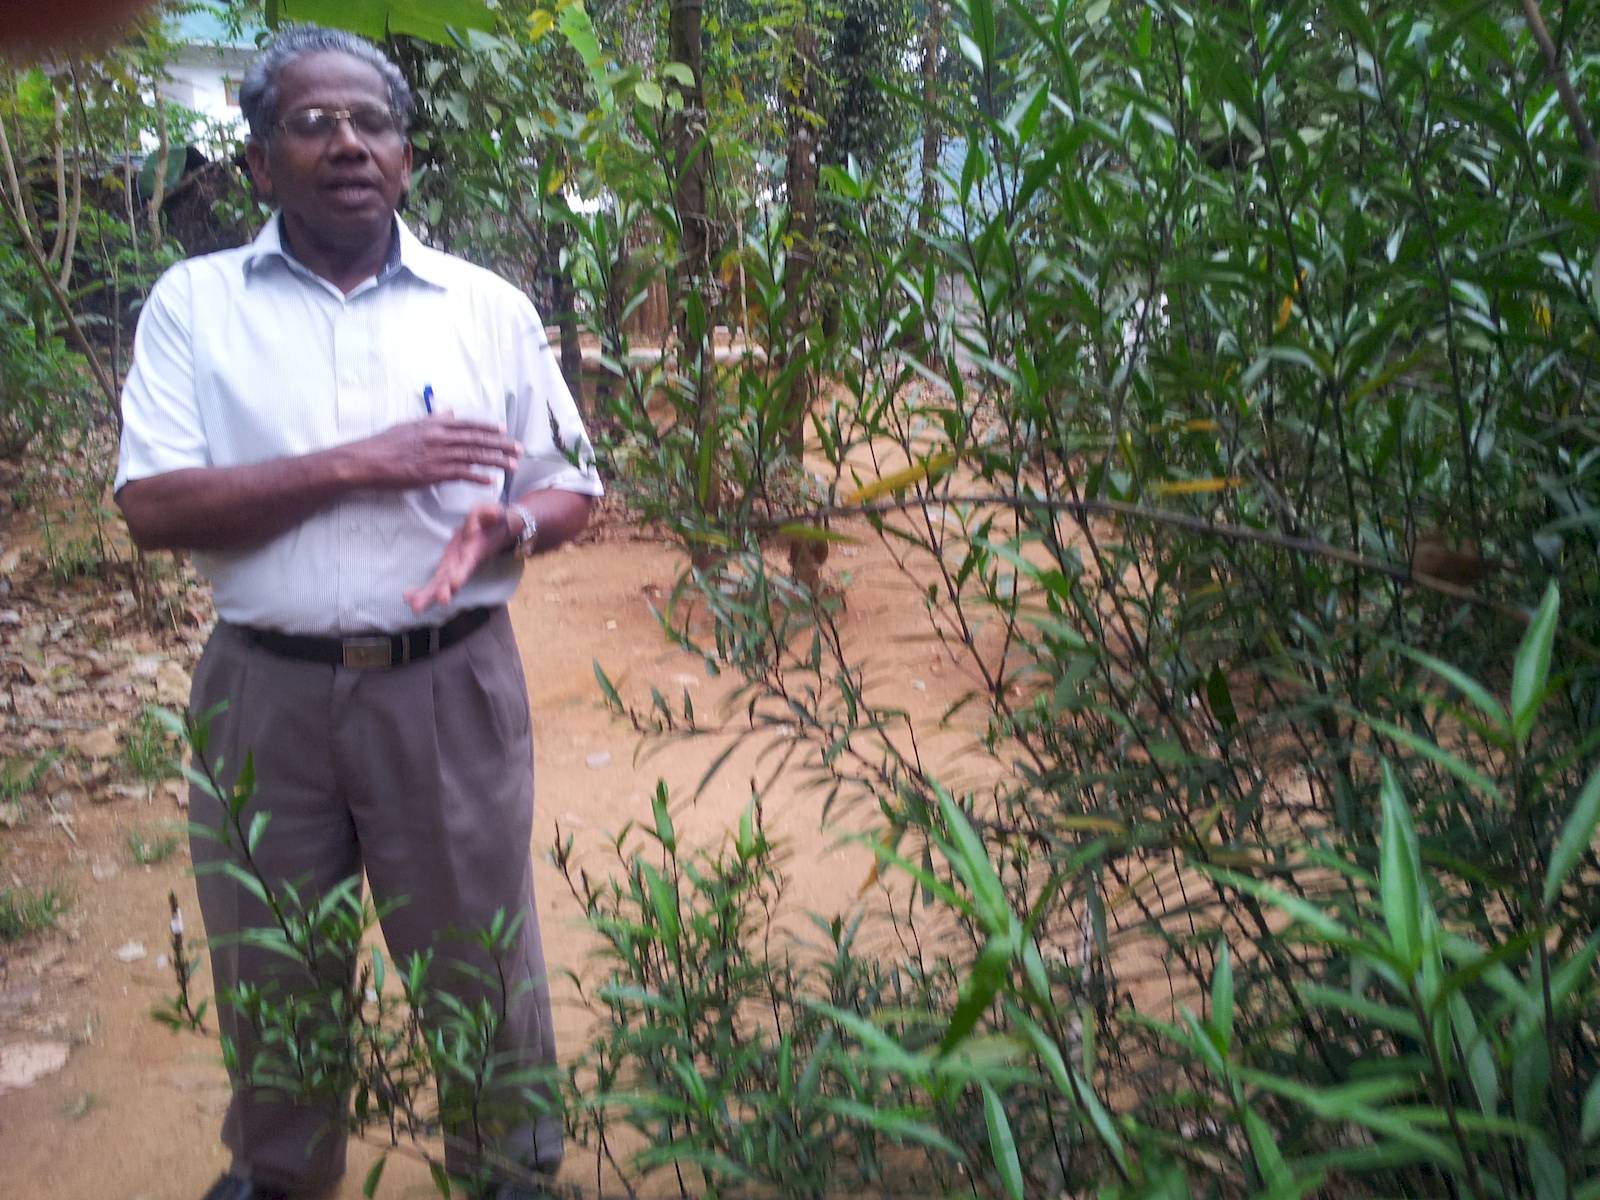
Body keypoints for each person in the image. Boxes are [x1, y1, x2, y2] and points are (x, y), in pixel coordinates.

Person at [113, 25, 601, 1200]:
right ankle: (280, 1177)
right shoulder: (195, 308)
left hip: (448, 687)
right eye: (311, 122)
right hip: (262, 695)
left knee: (478, 962)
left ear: (406, 157)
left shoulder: (484, 308)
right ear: (260, 161)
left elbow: (572, 481)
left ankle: (510, 1176)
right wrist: (359, 463)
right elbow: (152, 504)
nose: (347, 144)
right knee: (274, 964)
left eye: (370, 123)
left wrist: (515, 524)